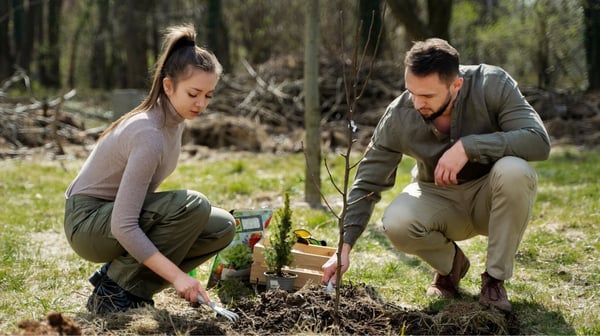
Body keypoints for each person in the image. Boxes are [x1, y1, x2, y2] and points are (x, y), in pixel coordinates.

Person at [322, 38, 550, 312]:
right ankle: (451, 266)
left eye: (428, 96)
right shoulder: (400, 114)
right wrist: (344, 246)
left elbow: (538, 141)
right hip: (437, 197)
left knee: (516, 171)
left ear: (456, 85)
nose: (417, 103)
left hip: (491, 198)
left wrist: (470, 146)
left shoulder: (492, 84)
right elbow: (367, 181)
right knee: (396, 222)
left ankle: (494, 280)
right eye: (411, 92)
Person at [63, 24, 235, 314]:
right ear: (168, 86)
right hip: (88, 224)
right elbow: (123, 225)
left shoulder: (174, 122)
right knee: (193, 205)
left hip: (111, 219)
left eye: (208, 95)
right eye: (194, 93)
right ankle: (112, 291)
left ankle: (131, 287)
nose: (201, 103)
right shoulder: (149, 133)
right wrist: (178, 277)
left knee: (222, 226)